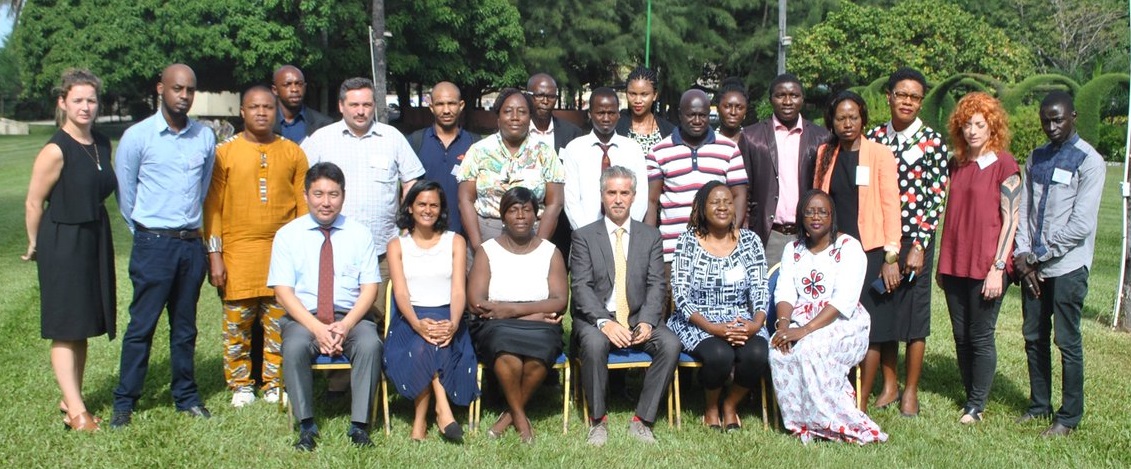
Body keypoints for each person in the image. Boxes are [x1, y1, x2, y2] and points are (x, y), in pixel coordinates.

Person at [112, 64, 216, 428]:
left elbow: (202, 190)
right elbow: (126, 196)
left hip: (190, 245)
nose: (184, 96)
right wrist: (146, 231)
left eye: (189, 89)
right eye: (177, 89)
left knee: (185, 328)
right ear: (161, 89)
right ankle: (125, 401)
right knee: (142, 326)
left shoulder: (204, 137)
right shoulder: (138, 137)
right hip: (153, 243)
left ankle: (186, 396)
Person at [203, 85, 309, 408]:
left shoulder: (292, 151)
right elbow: (213, 208)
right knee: (237, 324)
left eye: (267, 107)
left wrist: (304, 254)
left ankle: (273, 383)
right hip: (238, 253)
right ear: (242, 112)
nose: (261, 113)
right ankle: (240, 385)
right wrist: (215, 255)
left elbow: (303, 208)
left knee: (278, 323)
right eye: (254, 107)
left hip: (281, 253)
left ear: (276, 112)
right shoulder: (224, 153)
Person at [23, 69, 116, 432]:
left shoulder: (102, 143)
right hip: (62, 241)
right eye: (77, 100)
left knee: (83, 323)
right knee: (65, 326)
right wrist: (34, 244)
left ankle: (71, 396)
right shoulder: (54, 149)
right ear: (63, 102)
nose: (85, 107)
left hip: (94, 237)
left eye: (91, 100)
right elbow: (34, 202)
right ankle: (78, 413)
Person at [269, 162, 384, 451]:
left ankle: (359, 426)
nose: (326, 202)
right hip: (304, 319)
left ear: (343, 196)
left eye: (333, 194)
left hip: (351, 316)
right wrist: (317, 329)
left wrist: (345, 325)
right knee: (294, 347)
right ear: (306, 195)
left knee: (370, 344)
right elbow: (283, 292)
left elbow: (370, 289)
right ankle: (306, 425)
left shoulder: (359, 234)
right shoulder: (288, 235)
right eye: (318, 194)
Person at [301, 77, 424, 339]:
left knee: (378, 315)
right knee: (336, 313)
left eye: (367, 104)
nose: (361, 111)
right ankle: (339, 376)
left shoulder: (392, 138)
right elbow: (300, 182)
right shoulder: (321, 140)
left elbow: (411, 181)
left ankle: (376, 371)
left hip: (381, 246)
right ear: (341, 106)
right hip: (332, 248)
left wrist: (405, 226)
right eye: (354, 104)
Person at [1013, 91, 1104, 437]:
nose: (1051, 126)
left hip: (1067, 266)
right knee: (1033, 336)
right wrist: (1023, 256)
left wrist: (1038, 256)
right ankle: (1039, 405)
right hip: (1033, 267)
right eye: (1046, 120)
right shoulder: (1036, 157)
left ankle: (1068, 416)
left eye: (1058, 119)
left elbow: (1081, 225)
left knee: (1067, 341)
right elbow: (1025, 211)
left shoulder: (1088, 161)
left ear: (1073, 117)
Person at [570, 166, 680, 446]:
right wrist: (604, 323)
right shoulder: (583, 236)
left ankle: (642, 420)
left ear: (633, 197)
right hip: (599, 318)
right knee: (594, 345)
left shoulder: (650, 235)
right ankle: (598, 421)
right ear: (602, 196)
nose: (618, 199)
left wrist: (647, 321)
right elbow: (580, 287)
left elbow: (658, 284)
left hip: (637, 317)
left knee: (670, 344)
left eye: (624, 193)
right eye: (611, 193)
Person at [862, 67, 950, 417]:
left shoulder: (932, 141)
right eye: (902, 94)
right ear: (890, 96)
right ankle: (889, 383)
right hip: (880, 236)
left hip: (915, 239)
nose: (908, 102)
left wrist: (920, 245)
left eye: (915, 97)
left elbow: (936, 197)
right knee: (883, 309)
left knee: (913, 314)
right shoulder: (872, 139)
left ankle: (910, 390)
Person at [770, 190, 887, 445]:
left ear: (832, 216)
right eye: (810, 211)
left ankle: (833, 422)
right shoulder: (793, 249)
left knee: (812, 349)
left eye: (822, 211)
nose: (816, 217)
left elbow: (843, 300)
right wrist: (783, 327)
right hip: (801, 319)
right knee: (778, 351)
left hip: (843, 322)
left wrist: (804, 331)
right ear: (801, 216)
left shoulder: (849, 247)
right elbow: (785, 291)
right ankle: (800, 422)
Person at [813, 90, 900, 411]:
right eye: (840, 118)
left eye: (853, 117)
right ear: (831, 122)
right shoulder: (825, 153)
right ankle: (839, 390)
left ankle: (859, 402)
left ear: (863, 118)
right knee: (839, 323)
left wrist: (891, 256)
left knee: (871, 328)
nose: (847, 124)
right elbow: (819, 203)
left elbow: (892, 206)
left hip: (873, 251)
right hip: (836, 253)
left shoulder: (880, 154)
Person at [936, 91, 1021, 425]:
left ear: (992, 127)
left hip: (987, 262)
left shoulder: (1004, 163)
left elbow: (1011, 219)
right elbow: (950, 213)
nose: (972, 131)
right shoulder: (957, 163)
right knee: (960, 334)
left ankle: (976, 404)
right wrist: (943, 261)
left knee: (980, 333)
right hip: (955, 261)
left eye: (979, 124)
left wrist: (999, 267)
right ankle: (971, 391)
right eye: (967, 124)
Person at [467, 187, 568, 444]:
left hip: (538, 326)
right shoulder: (487, 251)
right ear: (503, 217)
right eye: (513, 210)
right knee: (505, 350)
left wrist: (511, 311)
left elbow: (560, 302)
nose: (520, 216)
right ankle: (521, 420)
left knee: (539, 354)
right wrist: (531, 315)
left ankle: (507, 417)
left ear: (536, 215)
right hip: (495, 326)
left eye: (527, 210)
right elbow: (477, 304)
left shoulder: (550, 252)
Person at [667, 182, 769, 432]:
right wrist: (713, 328)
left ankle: (731, 404)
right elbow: (680, 295)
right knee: (719, 355)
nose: (722, 207)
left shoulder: (750, 241)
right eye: (715, 202)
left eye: (727, 202)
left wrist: (755, 323)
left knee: (756, 354)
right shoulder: (687, 242)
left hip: (741, 318)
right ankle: (711, 407)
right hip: (697, 320)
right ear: (702, 208)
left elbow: (759, 288)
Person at [384, 181, 478, 442]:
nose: (428, 210)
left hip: (449, 316)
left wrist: (454, 323)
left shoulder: (455, 241)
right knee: (423, 344)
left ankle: (420, 421)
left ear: (441, 209)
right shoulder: (397, 245)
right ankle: (442, 410)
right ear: (410, 207)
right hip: (409, 319)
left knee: (433, 342)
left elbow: (459, 290)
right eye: (422, 204)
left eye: (434, 205)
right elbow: (400, 293)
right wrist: (417, 324)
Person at [457, 88, 565, 253]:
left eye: (522, 112)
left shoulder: (545, 152)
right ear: (498, 118)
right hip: (486, 233)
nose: (515, 117)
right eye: (507, 111)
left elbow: (555, 203)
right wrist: (477, 244)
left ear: (530, 118)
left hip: (532, 234)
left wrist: (539, 247)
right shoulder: (478, 151)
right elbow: (465, 200)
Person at [646, 88, 747, 264]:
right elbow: (651, 201)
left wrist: (730, 235)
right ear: (679, 114)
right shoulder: (659, 151)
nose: (698, 121)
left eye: (703, 115)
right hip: (673, 252)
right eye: (691, 115)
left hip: (718, 251)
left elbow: (739, 195)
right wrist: (649, 246)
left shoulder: (729, 149)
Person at [739, 73, 828, 264]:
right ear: (771, 99)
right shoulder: (751, 137)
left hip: (808, 233)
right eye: (780, 95)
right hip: (769, 235)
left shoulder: (821, 137)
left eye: (794, 95)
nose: (787, 101)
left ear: (802, 99)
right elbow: (744, 190)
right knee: (767, 291)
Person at [562, 87, 649, 229]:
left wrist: (625, 230)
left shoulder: (633, 149)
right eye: (601, 113)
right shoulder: (575, 149)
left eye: (611, 113)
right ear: (590, 114)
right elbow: (571, 201)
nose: (606, 118)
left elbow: (640, 198)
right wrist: (587, 236)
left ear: (619, 114)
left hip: (624, 235)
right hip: (585, 235)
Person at [406, 82, 480, 235]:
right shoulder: (415, 142)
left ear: (461, 105)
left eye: (451, 103)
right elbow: (406, 190)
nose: (446, 110)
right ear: (431, 107)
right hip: (424, 236)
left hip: (465, 235)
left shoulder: (476, 144)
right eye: (440, 104)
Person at [615, 66, 675, 152]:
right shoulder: (616, 129)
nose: (638, 100)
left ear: (654, 95)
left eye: (644, 94)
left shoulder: (669, 132)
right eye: (633, 94)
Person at [271, 65, 333, 144]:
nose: (294, 89)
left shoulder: (324, 124)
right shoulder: (263, 122)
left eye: (299, 84)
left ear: (305, 87)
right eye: (287, 84)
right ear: (275, 90)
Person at [715, 77, 748, 142]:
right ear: (718, 108)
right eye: (727, 106)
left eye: (739, 107)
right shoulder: (707, 142)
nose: (733, 112)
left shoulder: (754, 142)